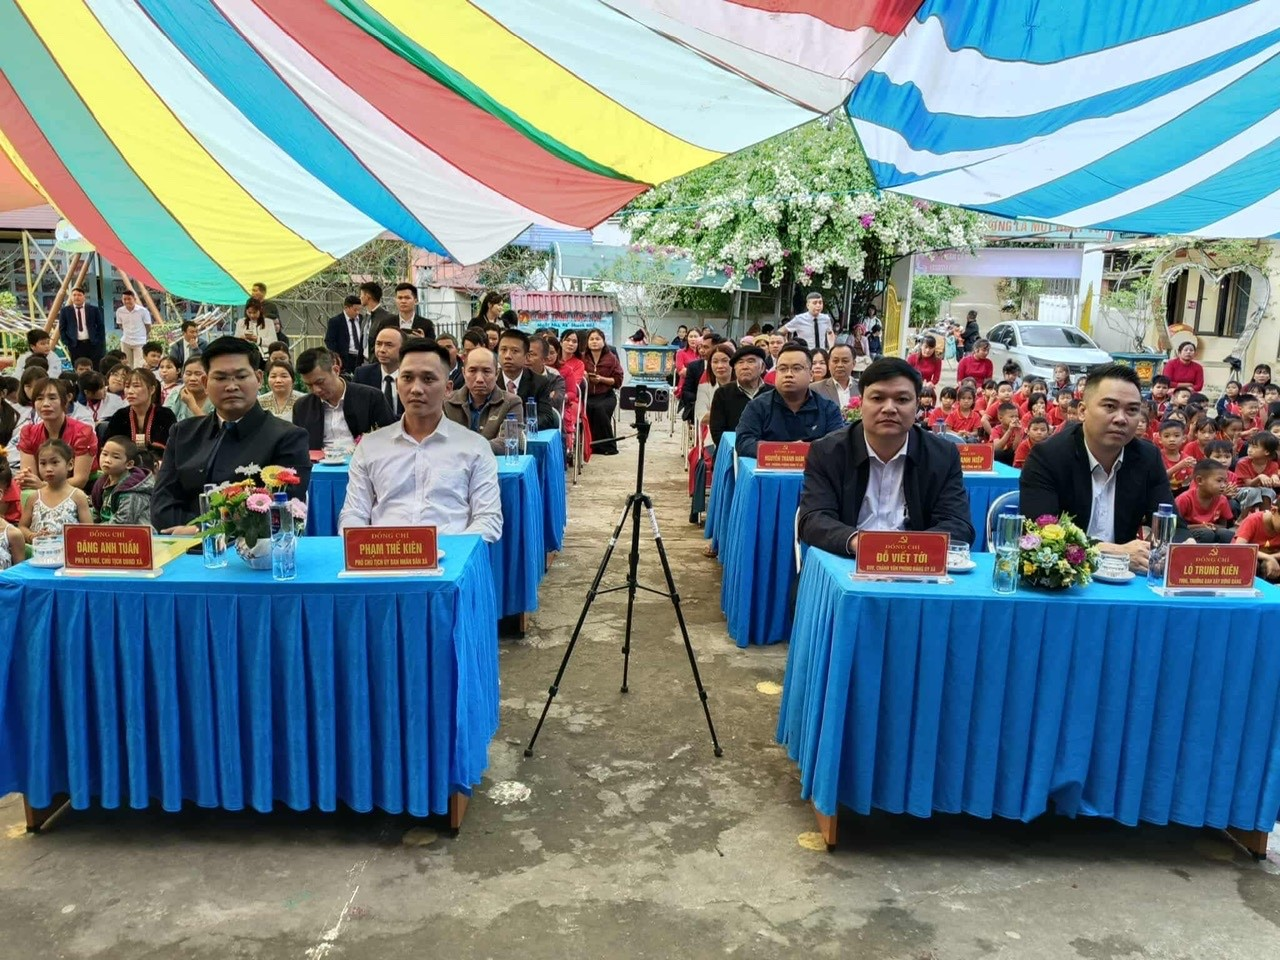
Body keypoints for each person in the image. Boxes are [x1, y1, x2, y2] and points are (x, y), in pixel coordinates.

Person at [797, 357, 974, 554]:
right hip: (849, 559)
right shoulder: (827, 452)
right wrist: (862, 545)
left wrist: (903, 550)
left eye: (902, 400)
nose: (889, 408)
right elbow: (813, 519)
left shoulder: (942, 455)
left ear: (917, 406)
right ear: (860, 403)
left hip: (916, 562)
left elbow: (958, 524)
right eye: (877, 398)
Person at [339, 339, 502, 541]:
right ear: (397, 384)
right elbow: (354, 514)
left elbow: (488, 519)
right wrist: (365, 547)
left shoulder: (474, 447)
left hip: (450, 555)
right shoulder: (370, 446)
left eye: (428, 379)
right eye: (407, 378)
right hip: (384, 553)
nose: (416, 388)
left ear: (448, 388)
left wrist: (450, 551)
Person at [1021, 363, 1177, 572]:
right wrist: (1113, 551)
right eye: (1110, 407)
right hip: (1066, 577)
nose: (1121, 419)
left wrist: (1183, 545)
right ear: (1082, 411)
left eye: (1132, 410)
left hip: (1126, 579)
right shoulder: (1048, 457)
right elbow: (1039, 534)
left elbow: (1173, 524)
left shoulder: (1148, 457)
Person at [151, 337, 311, 533]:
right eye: (220, 378)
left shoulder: (288, 437)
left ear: (259, 379)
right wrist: (194, 530)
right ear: (205, 382)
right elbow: (161, 507)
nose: (231, 386)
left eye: (241, 377)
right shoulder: (183, 433)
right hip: (179, 544)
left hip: (251, 549)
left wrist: (204, 531)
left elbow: (282, 512)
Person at [735, 344, 843, 457]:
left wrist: (805, 450)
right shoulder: (757, 406)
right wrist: (785, 451)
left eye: (796, 368)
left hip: (814, 466)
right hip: (771, 467)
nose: (788, 374)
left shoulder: (828, 409)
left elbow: (836, 445)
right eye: (782, 369)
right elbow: (744, 443)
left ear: (811, 375)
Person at [292, 348, 394, 452]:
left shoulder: (371, 398)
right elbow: (299, 447)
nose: (316, 390)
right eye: (309, 385)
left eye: (320, 382)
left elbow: (390, 438)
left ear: (336, 370)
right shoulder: (302, 407)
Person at [16, 377, 97, 491]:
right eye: (39, 398)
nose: (45, 404)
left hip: (79, 492)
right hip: (39, 493)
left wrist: (43, 486)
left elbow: (80, 480)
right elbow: (31, 479)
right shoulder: (28, 433)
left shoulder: (83, 432)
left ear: (65, 401)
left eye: (52, 398)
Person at [442, 346, 523, 452]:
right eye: (472, 371)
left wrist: (468, 449)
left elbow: (509, 442)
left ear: (497, 374)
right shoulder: (447, 403)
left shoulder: (511, 403)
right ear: (463, 373)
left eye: (486, 371)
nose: (479, 379)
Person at [19, 438, 92, 543]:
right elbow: (22, 527)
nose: (48, 469)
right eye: (43, 463)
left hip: (69, 551)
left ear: (70, 464)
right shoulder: (34, 497)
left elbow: (88, 530)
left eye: (54, 462)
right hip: (40, 551)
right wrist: (32, 536)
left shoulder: (77, 496)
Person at [104, 367, 176, 471]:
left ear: (152, 389)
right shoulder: (120, 415)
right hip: (125, 468)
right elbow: (109, 446)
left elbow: (171, 449)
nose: (130, 391)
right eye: (127, 386)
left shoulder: (165, 415)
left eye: (136, 386)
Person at [708, 346, 771, 449]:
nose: (745, 367)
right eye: (740, 362)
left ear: (763, 367)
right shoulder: (723, 393)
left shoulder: (773, 393)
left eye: (751, 361)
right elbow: (717, 433)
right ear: (734, 368)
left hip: (768, 452)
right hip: (732, 451)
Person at [496, 329, 557, 430]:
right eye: (503, 350)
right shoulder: (490, 380)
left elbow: (547, 418)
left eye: (515, 351)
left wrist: (515, 425)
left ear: (526, 356)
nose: (507, 356)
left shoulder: (540, 382)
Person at [90, 436, 155, 525]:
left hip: (131, 532)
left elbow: (123, 522)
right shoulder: (102, 483)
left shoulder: (133, 489)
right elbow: (96, 513)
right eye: (104, 454)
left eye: (115, 457)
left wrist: (93, 529)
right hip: (105, 530)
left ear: (129, 464)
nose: (107, 460)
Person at [1174, 459, 1235, 544]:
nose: (1223, 485)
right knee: (1206, 534)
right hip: (1188, 535)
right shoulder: (1184, 499)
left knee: (1227, 534)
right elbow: (1175, 527)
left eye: (1225, 481)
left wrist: (1213, 526)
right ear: (1200, 480)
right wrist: (1200, 526)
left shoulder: (1222, 499)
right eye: (1219, 481)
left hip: (1211, 531)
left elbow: (1223, 525)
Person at [583, 328, 623, 455]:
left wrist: (601, 379)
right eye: (591, 339)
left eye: (597, 339)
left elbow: (618, 380)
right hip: (587, 395)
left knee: (600, 409)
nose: (594, 341)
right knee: (587, 408)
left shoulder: (611, 358)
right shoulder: (583, 358)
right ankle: (589, 446)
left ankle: (607, 446)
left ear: (603, 341)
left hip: (606, 396)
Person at [354, 326, 405, 417]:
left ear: (403, 348)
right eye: (378, 344)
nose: (382, 350)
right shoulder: (362, 375)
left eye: (389, 345)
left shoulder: (413, 376)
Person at [559, 329, 589, 462]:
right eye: (568, 340)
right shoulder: (554, 360)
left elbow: (574, 385)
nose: (571, 344)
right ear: (561, 342)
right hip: (553, 397)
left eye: (574, 341)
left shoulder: (579, 364)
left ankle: (568, 447)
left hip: (572, 399)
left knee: (570, 411)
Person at [57, 286, 106, 367]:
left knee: (95, 366)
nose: (77, 297)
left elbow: (100, 326)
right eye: (74, 295)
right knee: (78, 366)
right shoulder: (65, 311)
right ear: (71, 297)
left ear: (84, 297)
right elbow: (62, 328)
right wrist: (66, 342)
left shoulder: (93, 309)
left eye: (79, 295)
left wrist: (99, 341)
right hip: (75, 345)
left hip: (92, 343)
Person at [324, 294, 366, 377]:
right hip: (345, 357)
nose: (357, 312)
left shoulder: (363, 320)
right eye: (355, 310)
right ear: (346, 308)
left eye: (359, 310)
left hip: (360, 357)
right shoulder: (336, 321)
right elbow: (329, 341)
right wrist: (337, 356)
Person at [167, 355, 215, 423]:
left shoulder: (216, 397)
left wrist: (192, 405)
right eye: (188, 374)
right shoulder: (176, 393)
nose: (192, 379)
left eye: (198, 374)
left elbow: (212, 427)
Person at [527, 335, 566, 419]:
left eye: (531, 354)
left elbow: (554, 403)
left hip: (548, 424)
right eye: (524, 354)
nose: (527, 358)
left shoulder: (556, 380)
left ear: (544, 359)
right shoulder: (516, 377)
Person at [811, 342, 858, 410]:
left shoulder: (862, 388)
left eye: (845, 361)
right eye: (835, 361)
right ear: (829, 364)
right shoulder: (815, 389)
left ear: (853, 364)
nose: (840, 365)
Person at [114, 290, 152, 367]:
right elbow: (120, 325)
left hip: (140, 342)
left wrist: (143, 335)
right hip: (126, 341)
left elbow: (148, 326)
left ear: (134, 299)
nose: (127, 301)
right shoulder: (119, 311)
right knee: (127, 365)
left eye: (129, 299)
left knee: (139, 365)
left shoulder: (143, 311)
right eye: (124, 299)